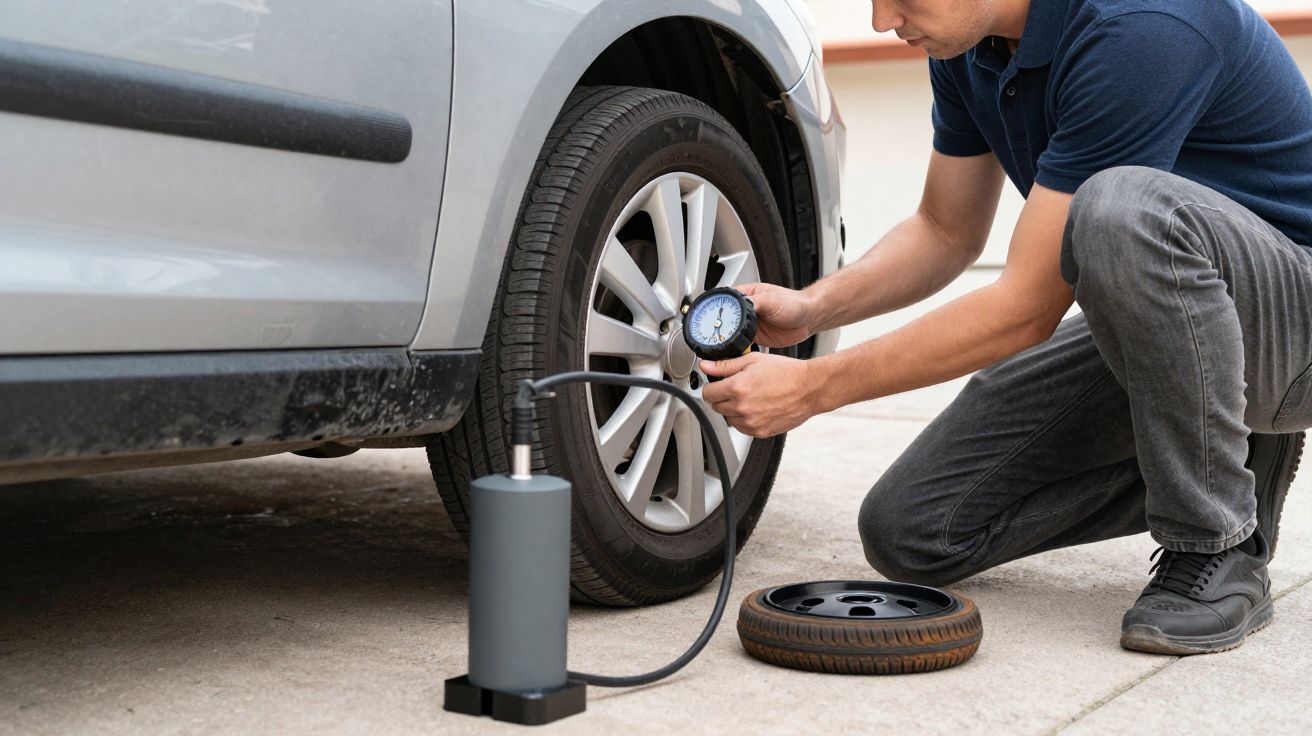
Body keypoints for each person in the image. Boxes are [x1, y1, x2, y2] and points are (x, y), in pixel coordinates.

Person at [700, 0, 1312, 655]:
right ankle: (1232, 452)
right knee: (912, 527)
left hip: (1293, 326)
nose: (883, 20)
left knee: (1116, 210)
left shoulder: (1144, 24)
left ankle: (1217, 540)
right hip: (1180, 329)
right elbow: (945, 230)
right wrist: (814, 307)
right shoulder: (973, 43)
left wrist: (815, 387)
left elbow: (1025, 309)